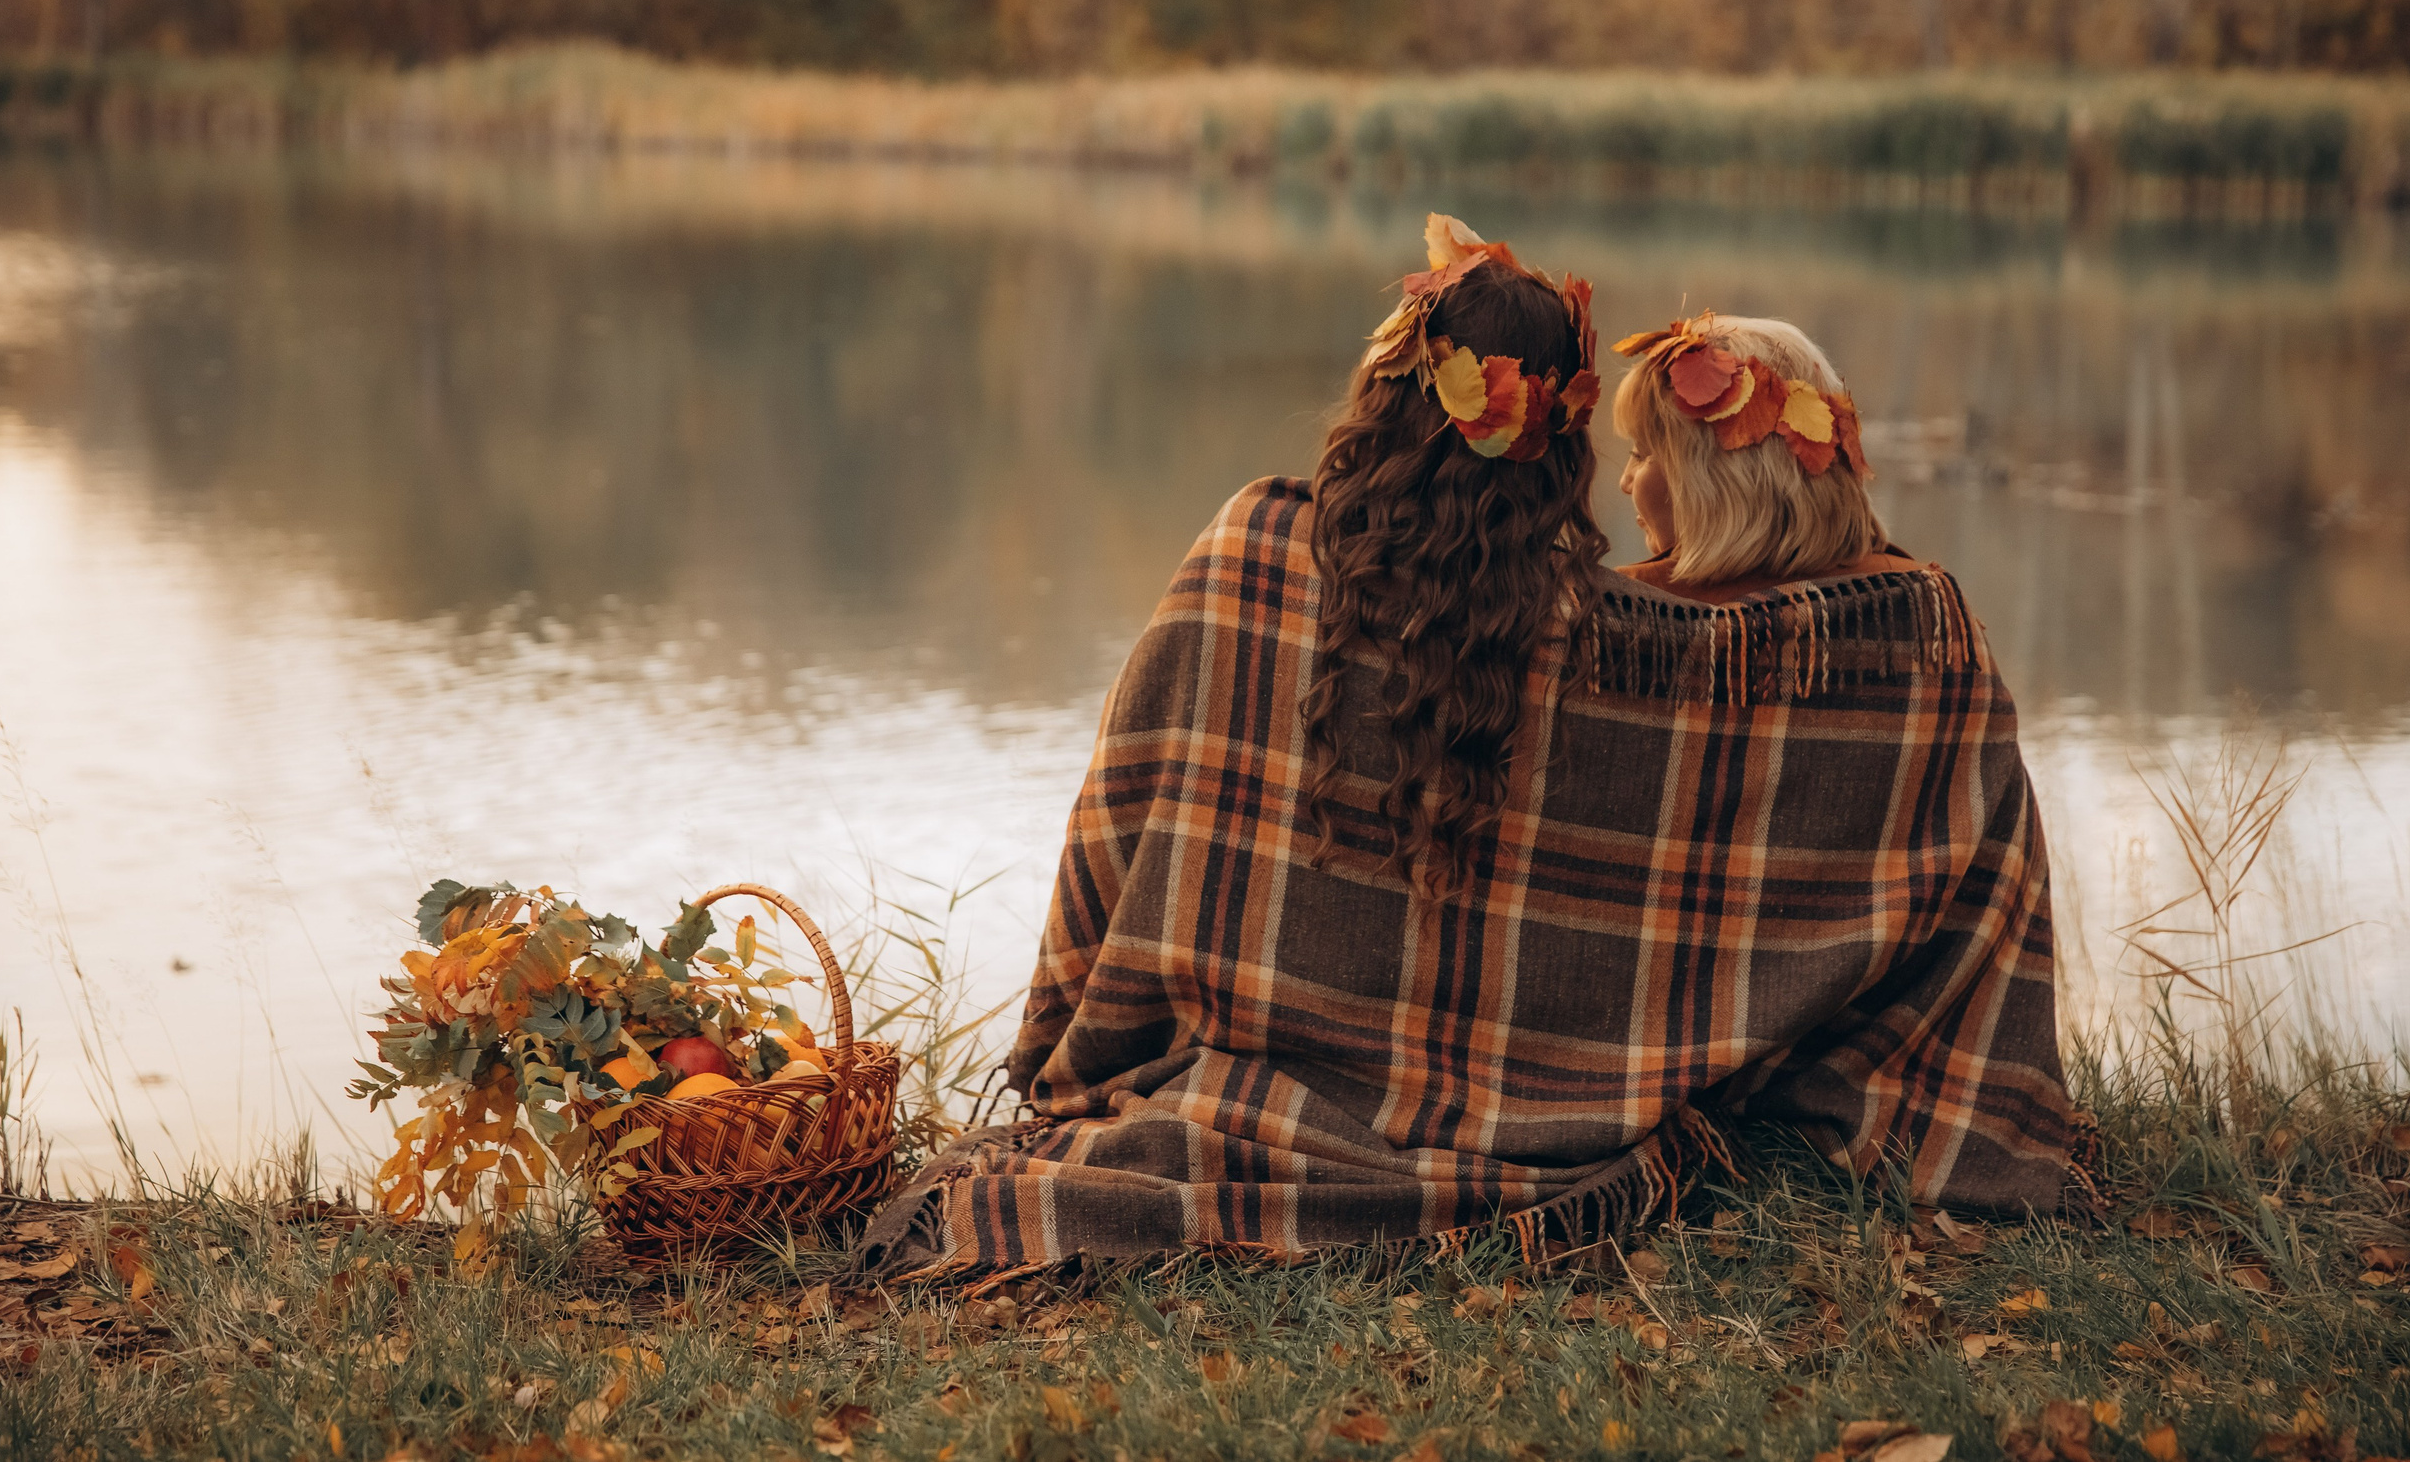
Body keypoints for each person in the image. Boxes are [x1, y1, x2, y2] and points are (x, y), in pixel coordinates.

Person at [859, 218, 2072, 1276]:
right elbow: (1974, 876)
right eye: (1620, 450)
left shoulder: (1256, 561)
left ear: (1386, 388)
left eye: (1656, 458)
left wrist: (1076, 1032)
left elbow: (1125, 814)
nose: (1633, 484)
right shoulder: (1889, 647)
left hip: (1250, 1080)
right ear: (1563, 435)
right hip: (1609, 1114)